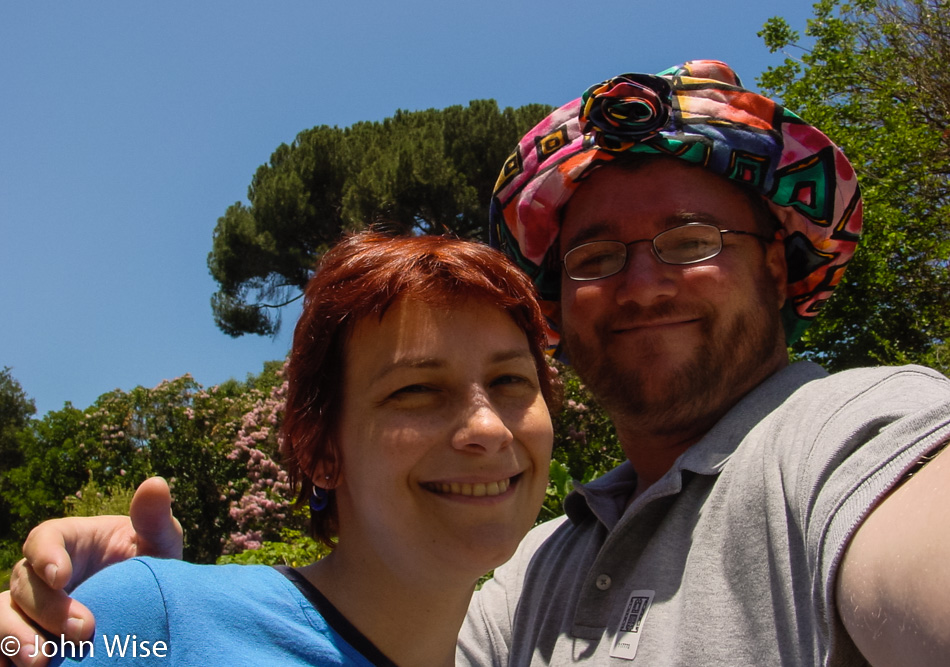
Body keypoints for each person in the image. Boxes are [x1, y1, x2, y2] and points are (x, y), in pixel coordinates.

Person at [4, 60, 950, 666]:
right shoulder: (529, 577)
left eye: (691, 238)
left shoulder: (855, 437)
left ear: (779, 266)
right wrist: (159, 614)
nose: (642, 282)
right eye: (593, 256)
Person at [3, 231, 558, 666]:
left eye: (512, 381)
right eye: (415, 390)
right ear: (320, 450)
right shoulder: (153, 622)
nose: (488, 428)